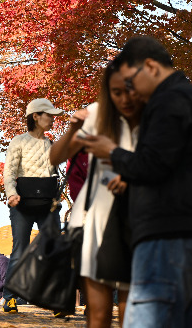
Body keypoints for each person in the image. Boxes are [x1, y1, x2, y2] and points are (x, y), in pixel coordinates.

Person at [80, 36, 192, 327]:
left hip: (167, 239)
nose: (130, 93)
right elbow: (173, 166)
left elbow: (153, 164)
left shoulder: (168, 101)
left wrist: (112, 152)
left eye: (131, 82)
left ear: (150, 66)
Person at [50, 62, 143, 327]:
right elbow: (56, 156)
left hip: (134, 220)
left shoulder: (151, 118)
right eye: (115, 91)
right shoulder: (96, 114)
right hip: (92, 219)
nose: (123, 97)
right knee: (97, 314)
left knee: (131, 313)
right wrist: (71, 129)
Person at [2, 98, 63, 313]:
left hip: (48, 204)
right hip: (22, 204)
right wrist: (11, 194)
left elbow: (55, 175)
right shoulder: (18, 141)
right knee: (20, 250)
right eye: (49, 115)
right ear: (35, 116)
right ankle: (9, 298)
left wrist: (58, 198)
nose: (53, 120)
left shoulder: (51, 145)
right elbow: (9, 173)